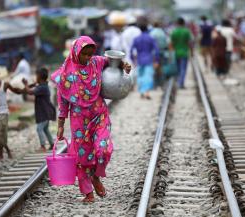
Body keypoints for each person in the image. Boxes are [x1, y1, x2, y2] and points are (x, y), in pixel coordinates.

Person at [51, 36, 131, 203]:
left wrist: (124, 66)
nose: (88, 58)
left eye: (90, 54)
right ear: (76, 52)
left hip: (99, 114)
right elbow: (63, 103)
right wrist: (60, 126)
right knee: (82, 158)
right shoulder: (66, 74)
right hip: (79, 121)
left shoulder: (97, 62)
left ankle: (96, 176)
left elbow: (112, 62)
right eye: (85, 54)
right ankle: (88, 193)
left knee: (104, 149)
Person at [0, 63, 24, 159]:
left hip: (3, 113)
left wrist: (25, 89)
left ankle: (3, 151)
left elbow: (15, 91)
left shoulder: (5, 84)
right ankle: (4, 150)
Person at [22, 68, 56, 152]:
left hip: (45, 112)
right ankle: (52, 144)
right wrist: (30, 85)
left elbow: (30, 92)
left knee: (39, 129)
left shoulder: (42, 88)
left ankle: (43, 146)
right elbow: (33, 87)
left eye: (36, 75)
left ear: (40, 77)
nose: (35, 77)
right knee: (45, 129)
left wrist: (26, 84)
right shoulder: (43, 86)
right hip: (46, 112)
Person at [130, 18, 160, 99]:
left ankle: (142, 91)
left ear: (140, 29)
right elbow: (157, 50)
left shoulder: (136, 39)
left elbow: (131, 50)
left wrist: (133, 60)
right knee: (148, 76)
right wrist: (157, 60)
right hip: (148, 59)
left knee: (140, 76)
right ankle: (146, 92)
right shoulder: (150, 38)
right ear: (147, 29)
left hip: (139, 59)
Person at [171, 17, 192, 88]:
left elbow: (171, 43)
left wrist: (171, 52)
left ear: (177, 23)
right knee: (183, 69)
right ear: (183, 23)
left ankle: (179, 82)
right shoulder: (186, 31)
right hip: (184, 53)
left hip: (176, 53)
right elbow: (189, 43)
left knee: (178, 69)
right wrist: (191, 52)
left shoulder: (174, 31)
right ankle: (181, 83)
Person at [149, 21, 168, 86]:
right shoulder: (162, 32)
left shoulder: (152, 33)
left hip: (154, 53)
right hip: (162, 52)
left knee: (154, 68)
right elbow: (166, 43)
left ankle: (155, 83)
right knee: (161, 67)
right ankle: (161, 83)